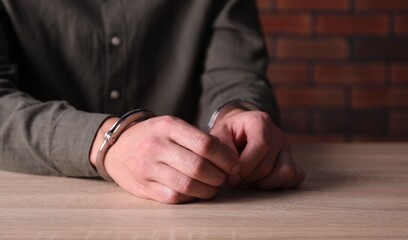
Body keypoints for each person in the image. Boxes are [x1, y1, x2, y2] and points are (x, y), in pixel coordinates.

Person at [0, 0, 304, 203]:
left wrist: (236, 114)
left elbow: (235, 72)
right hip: (32, 208)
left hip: (191, 208)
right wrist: (106, 141)